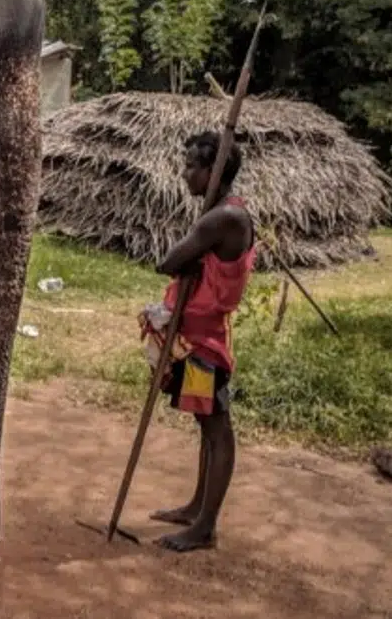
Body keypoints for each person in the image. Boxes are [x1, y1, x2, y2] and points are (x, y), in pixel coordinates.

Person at [142, 130, 254, 552]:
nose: (185, 174)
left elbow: (167, 261)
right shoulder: (222, 214)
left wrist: (187, 258)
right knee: (205, 423)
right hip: (195, 337)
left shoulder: (223, 218)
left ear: (214, 172)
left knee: (216, 426)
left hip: (205, 345)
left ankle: (204, 527)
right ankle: (196, 508)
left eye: (192, 167)